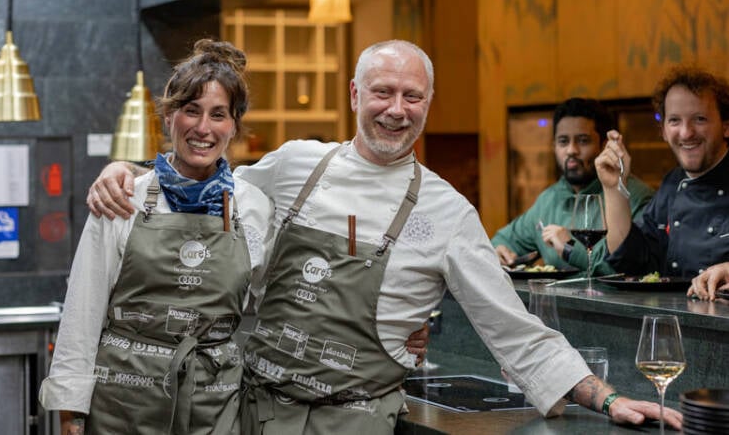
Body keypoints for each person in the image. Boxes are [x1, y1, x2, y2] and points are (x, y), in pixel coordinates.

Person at [87, 40, 682, 433]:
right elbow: (202, 184)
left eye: (412, 96)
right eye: (382, 92)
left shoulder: (448, 213)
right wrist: (129, 173)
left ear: (427, 104)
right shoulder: (296, 164)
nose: (396, 109)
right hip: (257, 416)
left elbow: (512, 329)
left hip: (358, 422)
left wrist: (605, 397)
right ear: (355, 95)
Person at [39, 39, 276, 434]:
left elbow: (278, 306)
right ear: (169, 117)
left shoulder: (254, 207)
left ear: (234, 125)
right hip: (121, 404)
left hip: (214, 406)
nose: (203, 128)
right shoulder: (123, 196)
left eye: (218, 114)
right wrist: (69, 411)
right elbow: (83, 308)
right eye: (191, 110)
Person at [595, 65, 729, 292]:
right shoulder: (672, 183)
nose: (686, 132)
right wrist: (614, 187)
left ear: (726, 127)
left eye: (700, 119)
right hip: (671, 311)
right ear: (664, 131)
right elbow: (633, 262)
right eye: (675, 120)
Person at [492, 98, 653, 275]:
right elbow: (502, 240)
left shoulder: (634, 196)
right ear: (554, 146)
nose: (571, 150)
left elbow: (626, 267)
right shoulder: (549, 200)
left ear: (604, 146)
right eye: (563, 141)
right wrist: (499, 251)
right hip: (555, 294)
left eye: (583, 141)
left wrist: (569, 248)